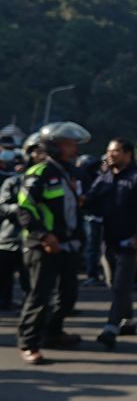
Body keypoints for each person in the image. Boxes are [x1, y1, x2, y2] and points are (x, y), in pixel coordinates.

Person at [16, 122, 90, 365]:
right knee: (40, 297)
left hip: (68, 246)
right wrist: (44, 236)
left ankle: (53, 332)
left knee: (69, 295)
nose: (73, 149)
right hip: (43, 246)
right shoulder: (39, 172)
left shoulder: (70, 172)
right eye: (69, 145)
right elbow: (25, 208)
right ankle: (29, 343)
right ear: (55, 147)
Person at [83, 138, 137, 349]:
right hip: (108, 239)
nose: (110, 155)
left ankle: (111, 329)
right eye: (108, 151)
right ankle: (127, 320)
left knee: (121, 285)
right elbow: (91, 199)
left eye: (115, 151)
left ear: (128, 154)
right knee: (116, 284)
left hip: (130, 241)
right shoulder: (104, 177)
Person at [0, 134, 42, 311]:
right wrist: (20, 210)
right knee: (3, 279)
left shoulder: (43, 181)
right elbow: (3, 206)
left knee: (30, 282)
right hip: (8, 239)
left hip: (31, 240)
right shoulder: (11, 182)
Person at [76, 154, 104, 287]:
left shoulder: (99, 176)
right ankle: (92, 274)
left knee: (99, 247)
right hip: (90, 216)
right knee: (92, 247)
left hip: (100, 215)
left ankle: (98, 273)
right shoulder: (83, 175)